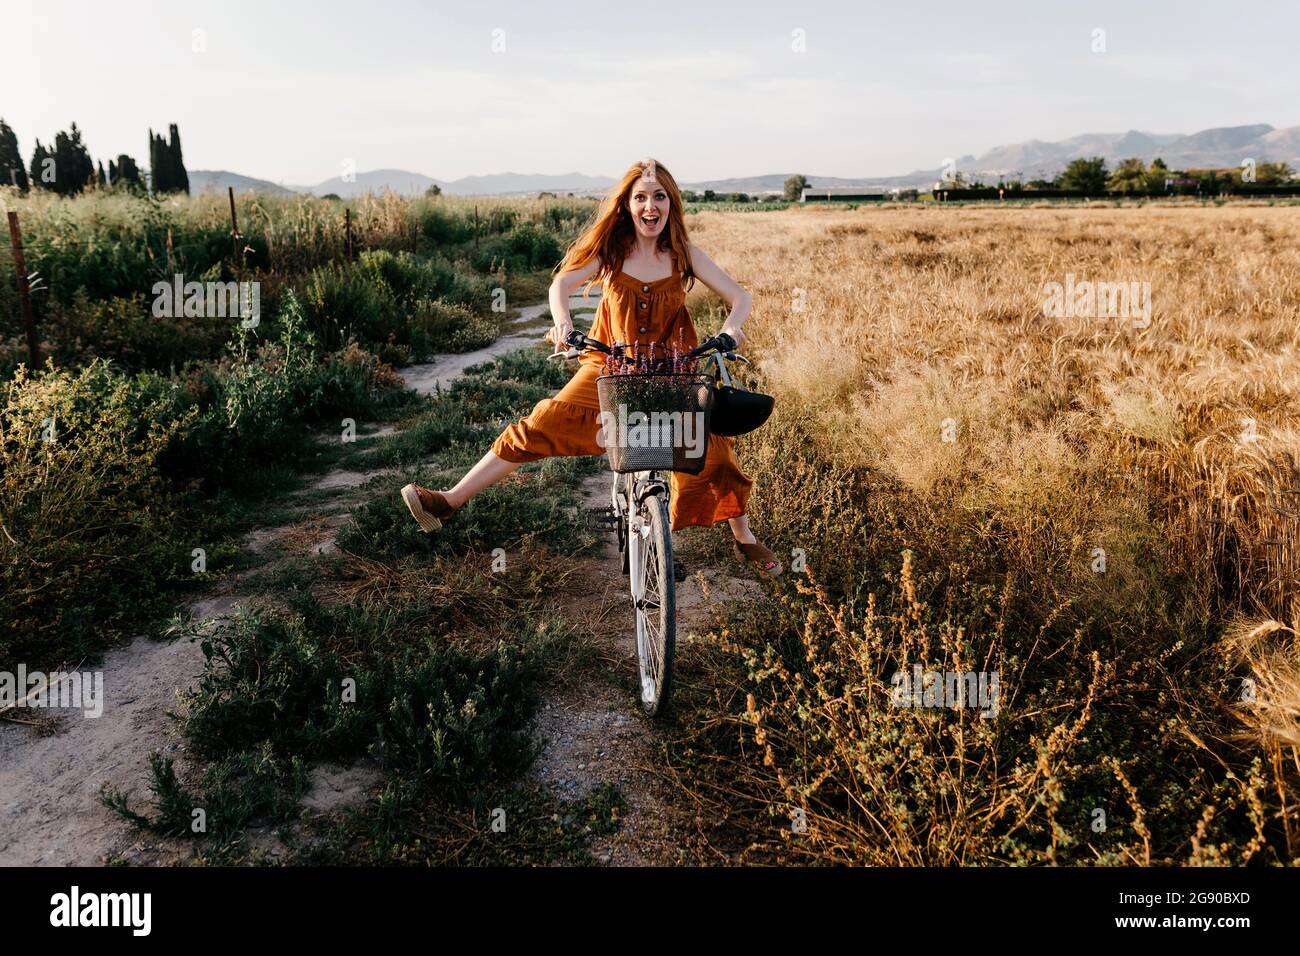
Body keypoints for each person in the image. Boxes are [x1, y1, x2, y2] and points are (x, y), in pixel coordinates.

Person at [400, 157, 781, 576]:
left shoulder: (683, 255)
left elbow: (740, 298)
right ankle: (450, 500)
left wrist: (731, 330)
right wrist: (563, 324)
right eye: (640, 197)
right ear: (627, 205)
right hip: (612, 364)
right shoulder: (611, 253)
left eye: (659, 197)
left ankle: (743, 536)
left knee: (714, 446)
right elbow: (560, 284)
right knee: (542, 423)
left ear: (671, 203)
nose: (650, 206)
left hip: (673, 366)